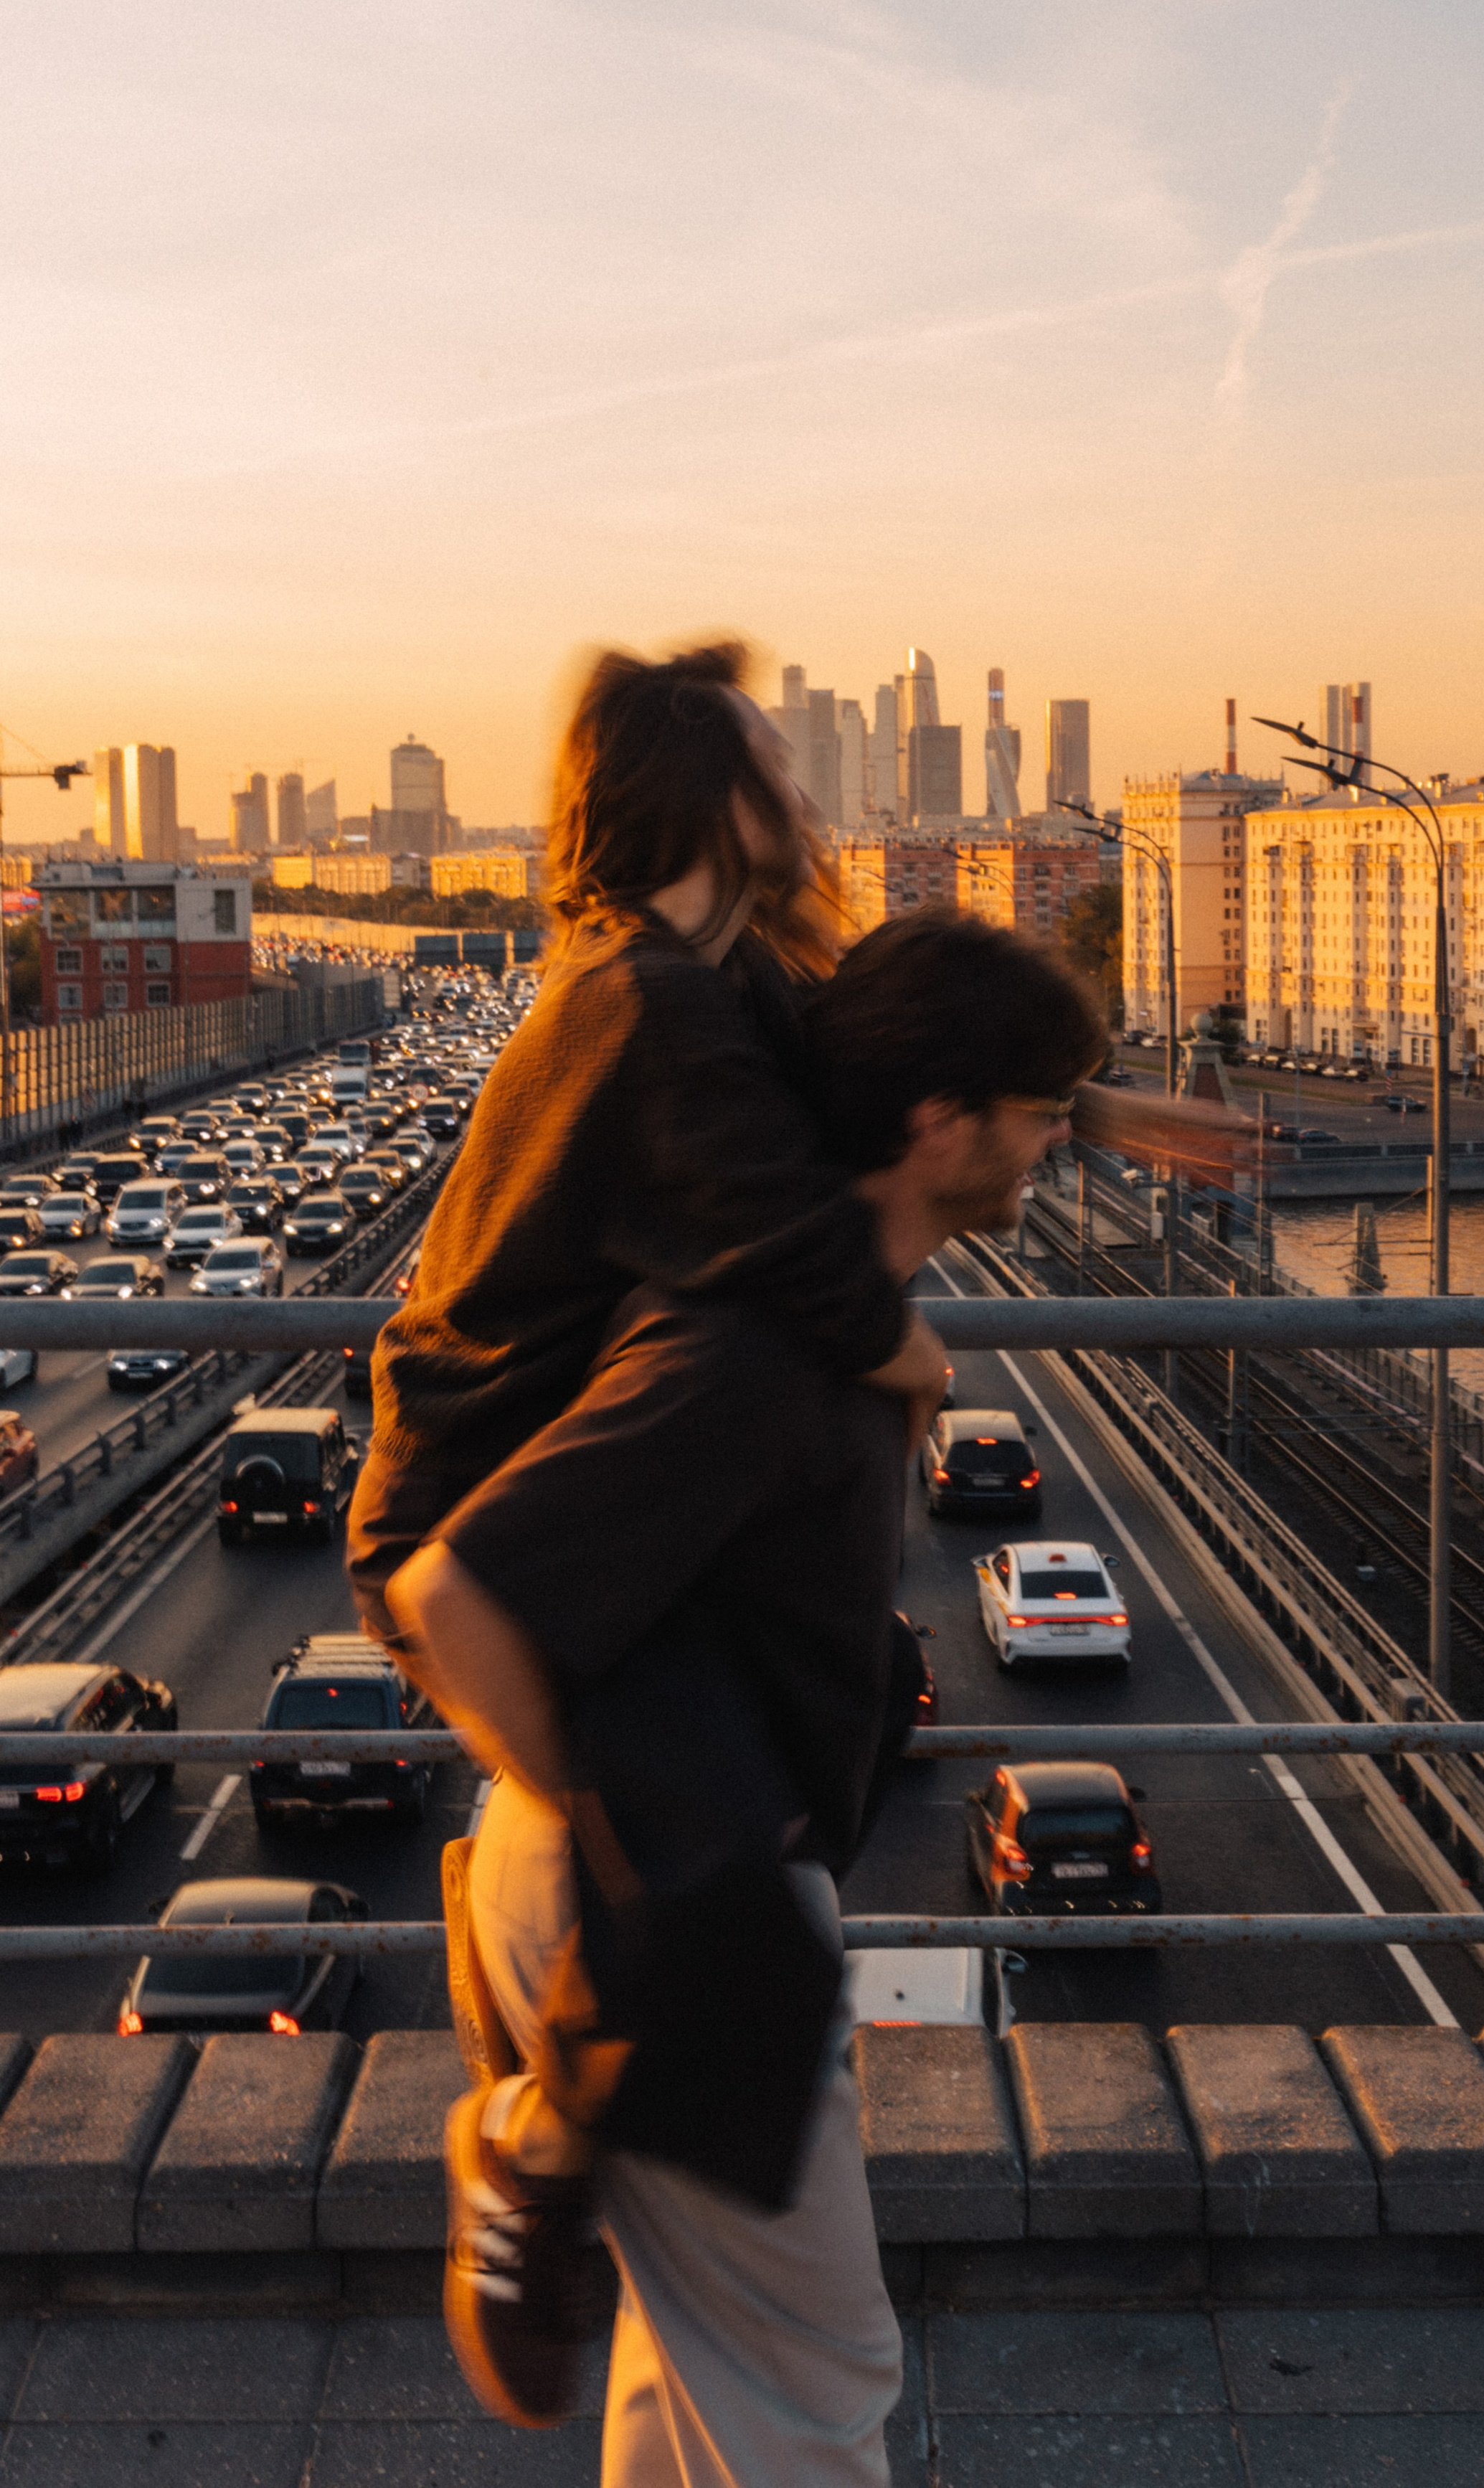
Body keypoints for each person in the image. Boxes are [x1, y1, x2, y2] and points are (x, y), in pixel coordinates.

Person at [387, 910, 1105, 2480]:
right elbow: (457, 1595)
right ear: (938, 1119)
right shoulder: (761, 1346)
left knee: (704, 2378)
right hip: (658, 1905)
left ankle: (531, 2143)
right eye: (1044, 1108)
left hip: (668, 1888)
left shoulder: (837, 1316)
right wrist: (625, 1859)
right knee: (812, 2377)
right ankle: (521, 2147)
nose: (1063, 1137)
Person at [347, 641, 947, 1639]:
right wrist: (917, 1361)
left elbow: (878, 1070)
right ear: (714, 796)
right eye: (779, 770)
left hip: (545, 1507)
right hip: (467, 1531)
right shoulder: (645, 1000)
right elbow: (797, 1248)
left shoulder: (717, 975)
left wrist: (1084, 1105)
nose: (807, 802)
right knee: (761, 1349)